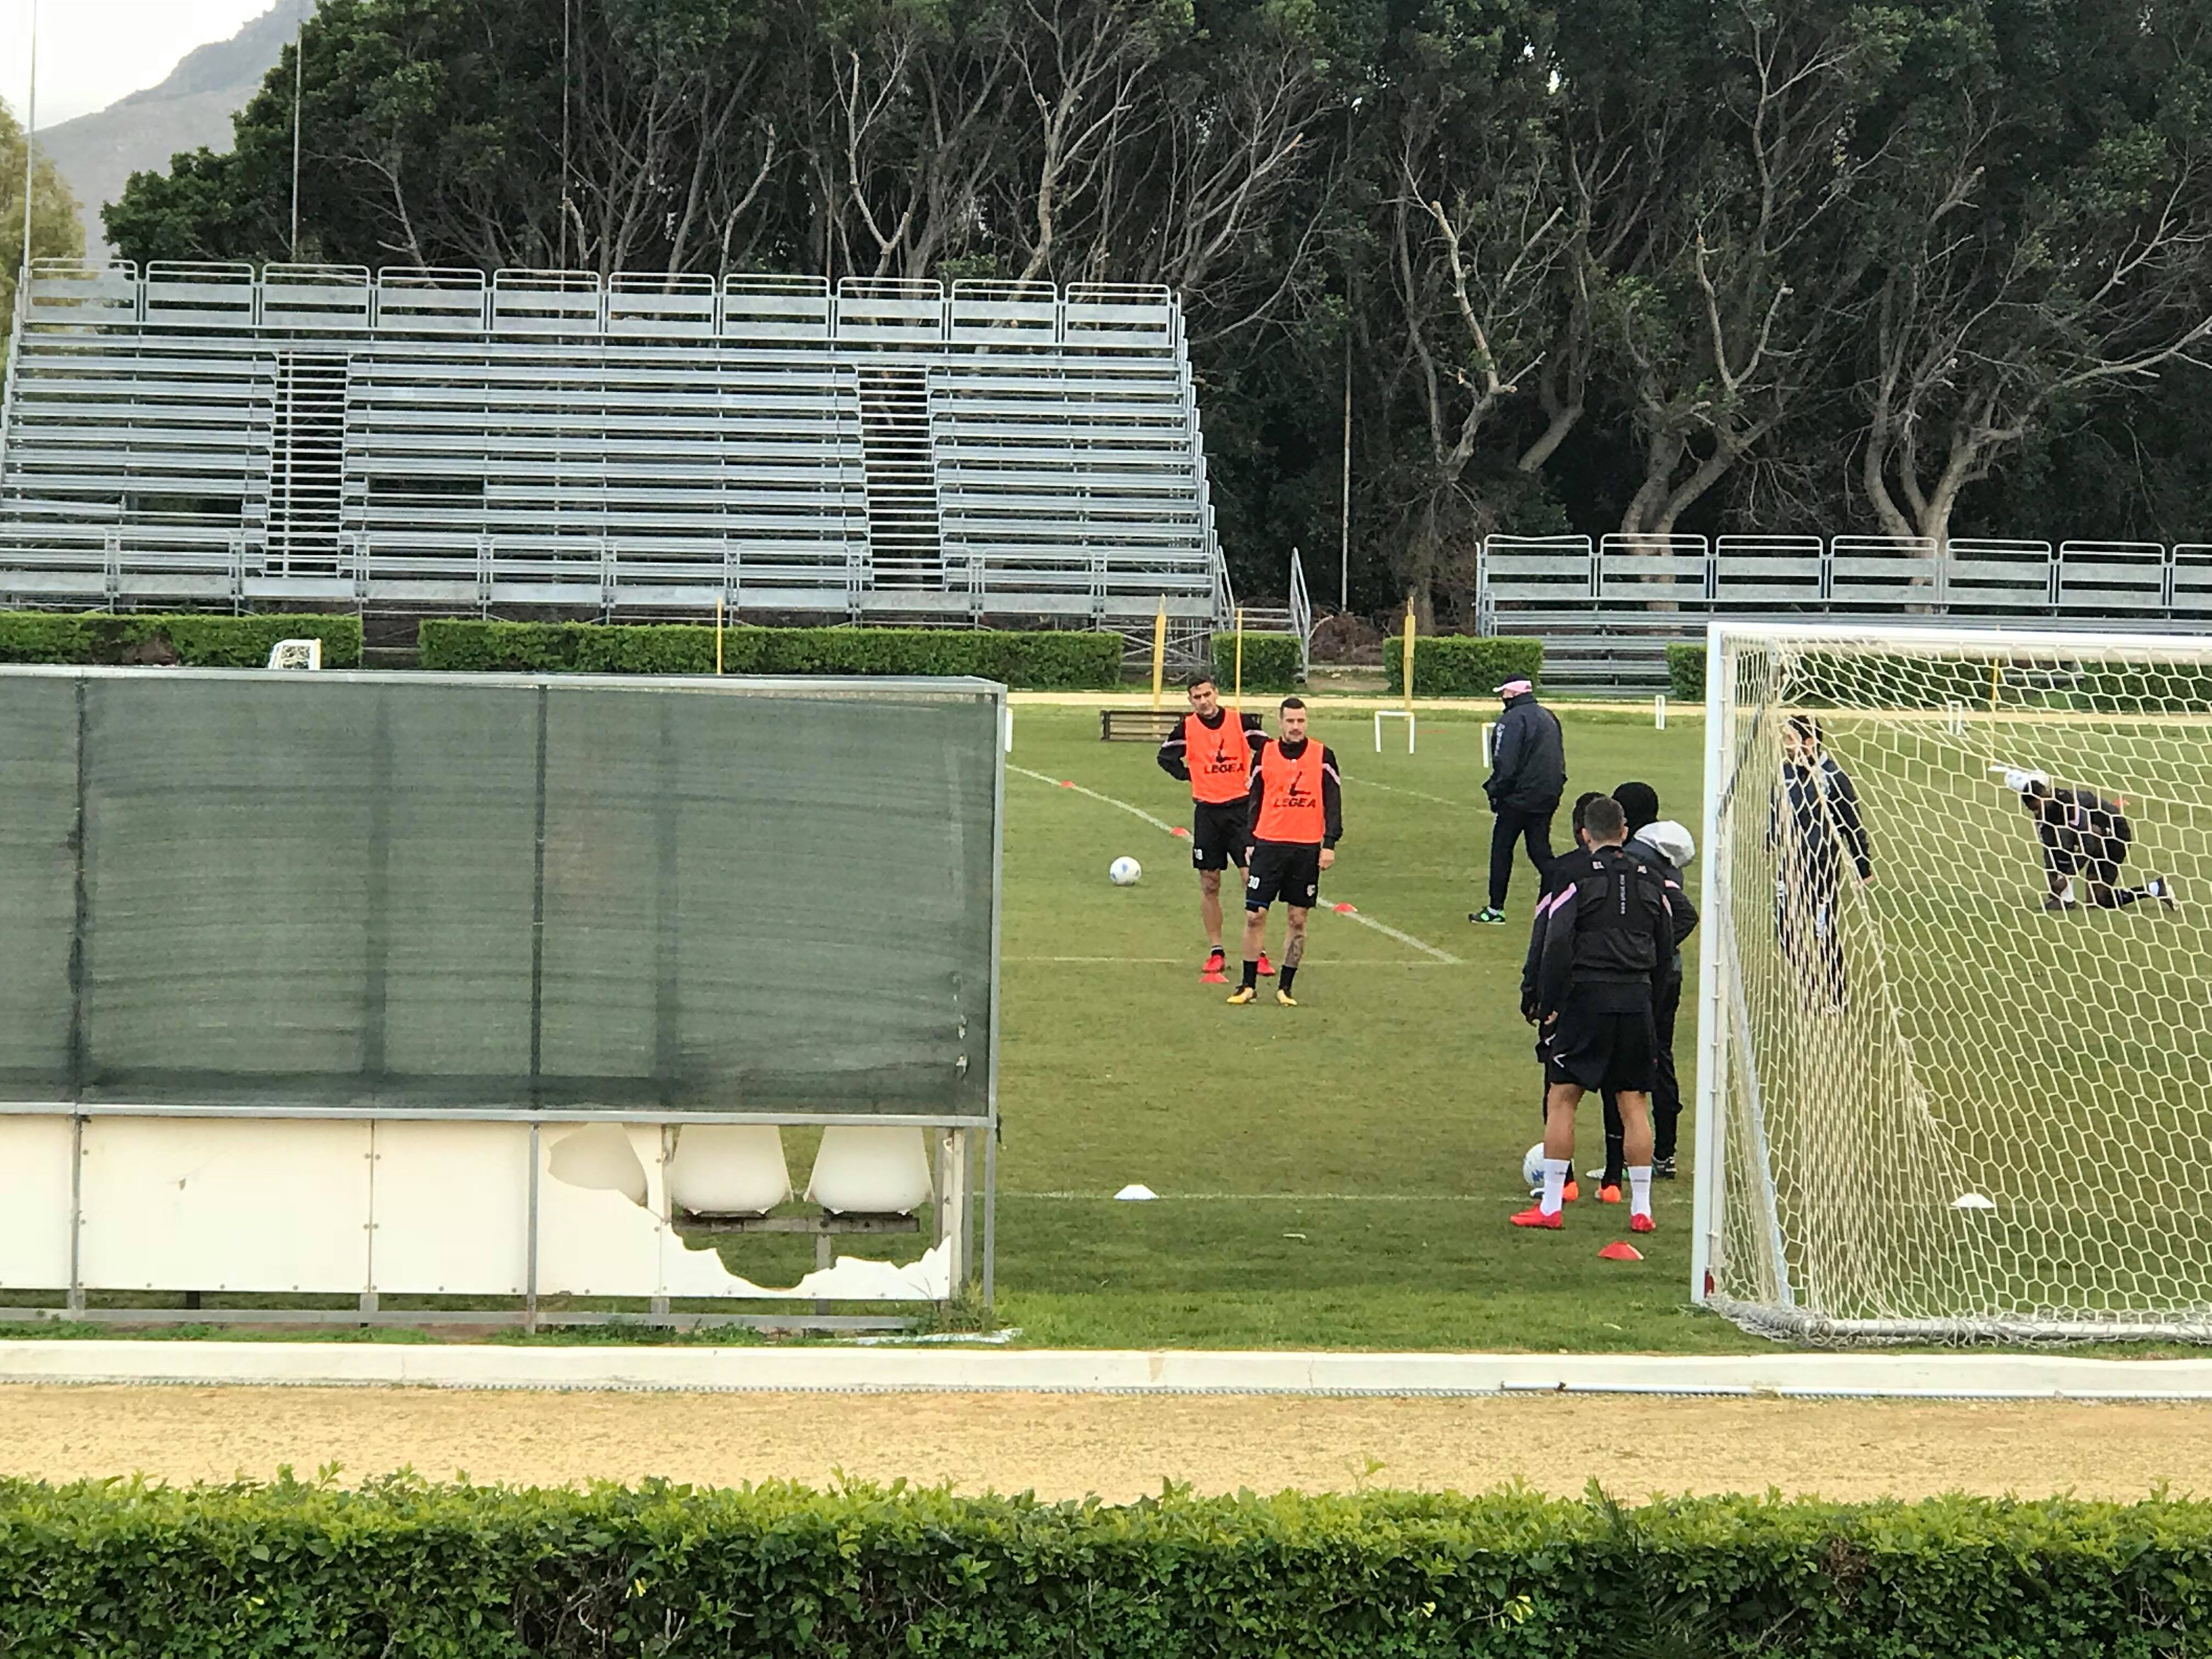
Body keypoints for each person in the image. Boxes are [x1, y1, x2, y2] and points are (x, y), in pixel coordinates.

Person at [1513, 794, 1672, 1232]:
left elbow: (1554, 940)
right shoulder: (1651, 876)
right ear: (1624, 832)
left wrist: (1545, 1000)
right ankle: (1642, 1210)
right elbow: (1664, 944)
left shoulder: (1571, 874)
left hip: (1587, 997)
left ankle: (1550, 1207)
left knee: (1563, 1097)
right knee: (1634, 1103)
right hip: (1636, 997)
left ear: (1584, 833)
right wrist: (1652, 999)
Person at [1596, 782, 1698, 1190]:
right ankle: (1665, 1151)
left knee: (1627, 1063)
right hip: (1669, 972)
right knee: (1662, 1057)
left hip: (1644, 975)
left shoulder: (1637, 860)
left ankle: (1622, 1159)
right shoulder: (1666, 854)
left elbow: (1681, 915)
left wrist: (1647, 950)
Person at [1519, 791, 1605, 1205]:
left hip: (1571, 996)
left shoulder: (1562, 872)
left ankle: (1563, 1183)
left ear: (1578, 830)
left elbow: (1547, 938)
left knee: (1558, 1090)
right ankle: (1614, 1184)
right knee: (1624, 1092)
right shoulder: (1633, 871)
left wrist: (1533, 991)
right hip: (1628, 993)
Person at [1228, 697, 1341, 1008]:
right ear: (1280, 723)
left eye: (1301, 721)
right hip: (1268, 845)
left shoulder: (1323, 755)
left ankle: (1285, 987)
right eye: (1290, 721)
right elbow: (1253, 798)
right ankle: (1247, 984)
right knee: (1255, 915)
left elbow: (1333, 802)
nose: (1296, 727)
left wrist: (1329, 843)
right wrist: (1249, 841)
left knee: (1298, 919)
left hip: (1305, 848)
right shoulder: (1264, 754)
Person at [1156, 674, 1272, 980]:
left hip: (1241, 812)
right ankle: (1216, 951)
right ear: (1190, 701)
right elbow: (1165, 757)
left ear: (1216, 694)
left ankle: (1258, 952)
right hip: (1207, 814)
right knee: (1210, 883)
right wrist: (1190, 775)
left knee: (1252, 880)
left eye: (1207, 694)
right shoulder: (1187, 727)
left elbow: (1269, 751)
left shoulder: (1240, 722)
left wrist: (1258, 780)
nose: (1204, 701)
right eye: (1197, 697)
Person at [1771, 714, 1869, 1008]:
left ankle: (1836, 995)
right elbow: (1778, 809)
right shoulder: (1785, 773)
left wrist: (1863, 864)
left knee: (1821, 929)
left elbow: (1852, 823)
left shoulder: (1834, 777)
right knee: (1784, 930)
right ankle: (1811, 984)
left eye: (1790, 739)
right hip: (1789, 862)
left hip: (1822, 863)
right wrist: (1770, 838)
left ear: (1809, 742)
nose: (1785, 745)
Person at [2001, 769, 2176, 911]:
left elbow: (2090, 844)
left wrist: (2065, 879)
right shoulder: (2046, 813)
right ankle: (2063, 901)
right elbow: (2049, 850)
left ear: (2045, 797)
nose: (2037, 814)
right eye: (2033, 810)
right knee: (2092, 899)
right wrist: (2054, 889)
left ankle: (2155, 888)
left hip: (2115, 834)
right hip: (2096, 837)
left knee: (2100, 900)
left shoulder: (2070, 807)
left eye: (2037, 808)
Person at [1472, 676, 1565, 925]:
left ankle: (1495, 909)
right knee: (1540, 850)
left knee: (1502, 848)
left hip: (1519, 797)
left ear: (1510, 694)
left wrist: (1495, 791)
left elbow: (1505, 763)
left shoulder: (1511, 720)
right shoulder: (1548, 717)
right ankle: (1557, 901)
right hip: (1548, 794)